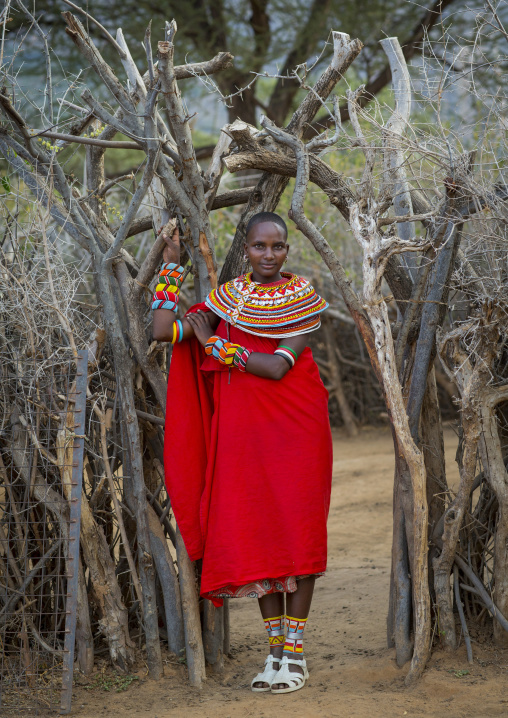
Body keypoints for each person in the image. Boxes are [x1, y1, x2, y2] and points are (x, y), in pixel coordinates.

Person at [152, 212, 333, 694]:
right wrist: (172, 268)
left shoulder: (303, 299)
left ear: (287, 250)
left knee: (296, 532)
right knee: (256, 531)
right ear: (247, 249)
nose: (268, 255)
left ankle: (295, 656)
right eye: (259, 246)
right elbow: (163, 332)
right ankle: (274, 655)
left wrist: (214, 343)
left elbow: (276, 367)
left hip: (295, 431)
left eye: (277, 247)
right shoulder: (226, 300)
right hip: (241, 437)